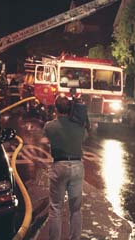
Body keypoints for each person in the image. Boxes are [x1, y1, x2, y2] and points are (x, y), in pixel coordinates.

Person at [41, 95, 86, 240]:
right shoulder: (79, 126)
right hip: (77, 166)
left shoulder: (50, 126)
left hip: (59, 166)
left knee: (55, 208)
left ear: (56, 109)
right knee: (76, 209)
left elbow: (45, 138)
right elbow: (85, 135)